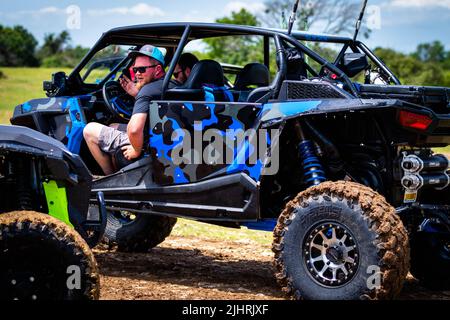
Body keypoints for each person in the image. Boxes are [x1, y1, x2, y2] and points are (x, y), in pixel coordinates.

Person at [83, 44, 168, 175]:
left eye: (142, 69)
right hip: (158, 136)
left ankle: (109, 178)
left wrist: (136, 151)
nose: (137, 74)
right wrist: (137, 95)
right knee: (112, 125)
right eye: (135, 70)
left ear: (157, 69)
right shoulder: (168, 84)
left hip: (146, 142)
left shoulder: (147, 91)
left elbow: (134, 130)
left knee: (89, 130)